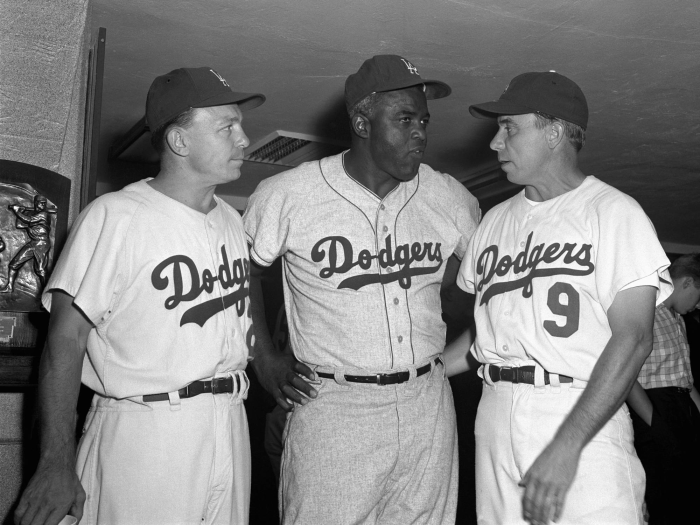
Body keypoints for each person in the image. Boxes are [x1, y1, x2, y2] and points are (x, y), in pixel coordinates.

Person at [14, 67, 265, 525]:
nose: (245, 139)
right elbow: (64, 342)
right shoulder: (115, 215)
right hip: (147, 427)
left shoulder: (232, 219)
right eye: (228, 127)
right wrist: (55, 462)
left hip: (229, 420)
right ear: (180, 142)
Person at [244, 54, 480, 524]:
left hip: (427, 403)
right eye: (405, 119)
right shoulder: (288, 194)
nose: (421, 133)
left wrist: (464, 348)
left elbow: (493, 283)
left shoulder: (448, 195)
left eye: (424, 121)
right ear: (362, 122)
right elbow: (239, 270)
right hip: (335, 407)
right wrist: (264, 358)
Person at [445, 71, 672, 525]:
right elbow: (487, 330)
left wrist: (568, 444)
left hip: (576, 408)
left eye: (510, 127)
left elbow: (633, 338)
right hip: (494, 409)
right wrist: (423, 371)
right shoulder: (493, 221)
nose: (495, 142)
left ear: (553, 132)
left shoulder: (612, 212)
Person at [626, 252, 700, 524]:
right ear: (687, 283)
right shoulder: (645, 313)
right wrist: (655, 423)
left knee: (687, 496)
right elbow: (626, 375)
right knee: (662, 499)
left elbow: (684, 380)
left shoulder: (678, 319)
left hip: (681, 409)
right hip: (654, 406)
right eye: (699, 295)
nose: (699, 304)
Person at [1, 194, 56, 292]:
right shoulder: (33, 214)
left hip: (41, 243)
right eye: (41, 203)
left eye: (44, 203)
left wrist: (17, 211)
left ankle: (46, 294)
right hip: (33, 243)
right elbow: (19, 224)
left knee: (40, 270)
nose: (43, 205)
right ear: (35, 203)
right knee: (14, 264)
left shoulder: (44, 214)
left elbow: (28, 220)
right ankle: (9, 287)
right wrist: (21, 211)